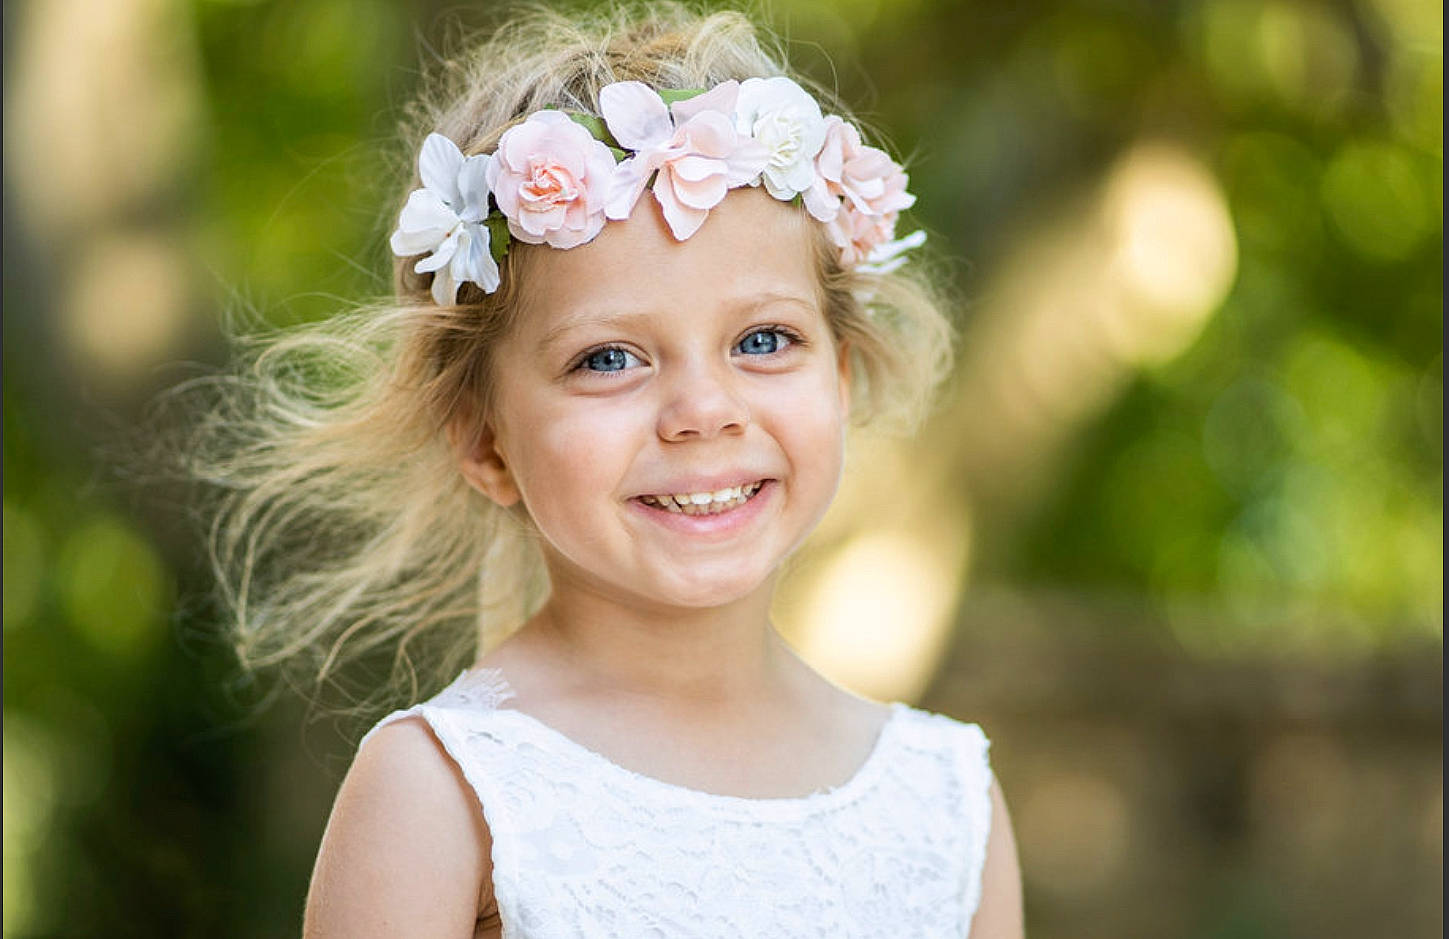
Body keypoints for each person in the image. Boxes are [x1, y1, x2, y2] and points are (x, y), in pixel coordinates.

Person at [197, 4, 1022, 935]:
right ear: (484, 439)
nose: (704, 410)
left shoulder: (946, 805)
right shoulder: (444, 796)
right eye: (608, 359)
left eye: (762, 339)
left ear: (837, 376)